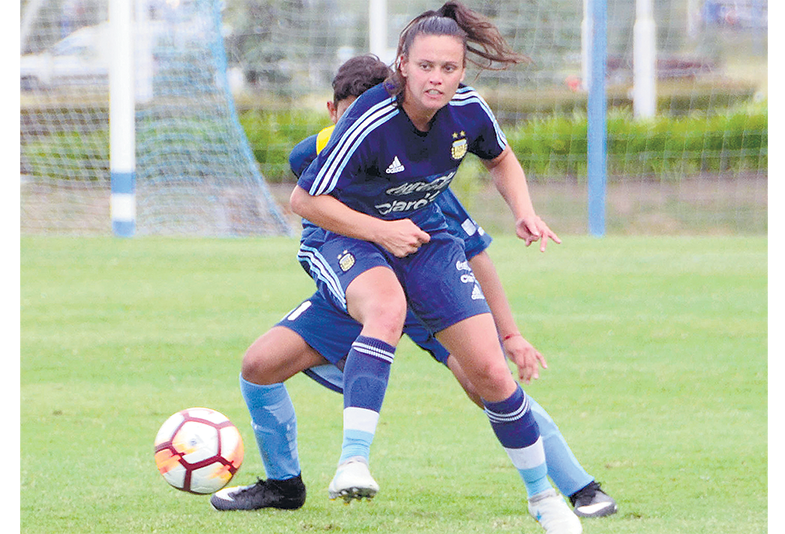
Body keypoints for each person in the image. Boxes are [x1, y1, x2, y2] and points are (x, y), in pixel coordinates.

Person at [210, 53, 616, 520]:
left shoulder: (422, 182)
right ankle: (284, 486)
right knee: (260, 364)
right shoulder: (316, 159)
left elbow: (475, 254)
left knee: (486, 381)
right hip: (358, 285)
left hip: (425, 289)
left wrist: (510, 334)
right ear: (333, 113)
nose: (360, 127)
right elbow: (308, 196)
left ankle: (579, 487)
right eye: (349, 116)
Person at [288, 3, 585, 532]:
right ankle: (353, 461)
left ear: (462, 71)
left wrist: (524, 211)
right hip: (351, 235)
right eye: (426, 66)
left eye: (449, 68)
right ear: (402, 64)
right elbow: (304, 201)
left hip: (425, 238)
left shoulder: (468, 110)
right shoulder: (370, 118)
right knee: (386, 309)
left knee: (490, 372)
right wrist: (380, 230)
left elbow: (500, 158)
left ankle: (543, 496)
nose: (437, 78)